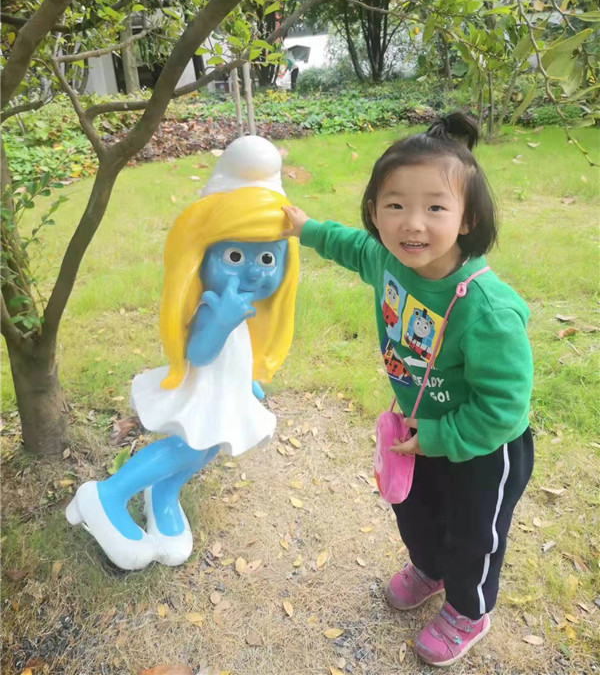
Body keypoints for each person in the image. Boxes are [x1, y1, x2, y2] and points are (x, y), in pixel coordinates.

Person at [281, 113, 533, 668]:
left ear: (468, 218)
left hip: (482, 448)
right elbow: (351, 246)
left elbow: (502, 407)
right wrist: (306, 228)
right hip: (418, 429)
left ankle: (468, 610)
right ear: (375, 212)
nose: (412, 223)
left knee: (473, 535)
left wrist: (440, 436)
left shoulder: (487, 310)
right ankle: (429, 567)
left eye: (435, 208)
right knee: (416, 510)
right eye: (395, 205)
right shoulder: (386, 261)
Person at [67, 136, 299, 570]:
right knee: (191, 448)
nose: (254, 270)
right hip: (201, 387)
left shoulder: (241, 308)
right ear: (200, 256)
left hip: (222, 392)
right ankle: (107, 495)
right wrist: (222, 321)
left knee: (207, 450)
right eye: (235, 255)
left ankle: (164, 493)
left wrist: (246, 382)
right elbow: (201, 352)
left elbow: (237, 354)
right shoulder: (214, 307)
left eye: (269, 258)